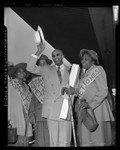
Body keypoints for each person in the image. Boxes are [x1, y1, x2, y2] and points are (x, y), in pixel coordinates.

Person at [64, 49, 115, 146]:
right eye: (82, 59)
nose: (83, 61)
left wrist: (90, 104)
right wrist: (74, 91)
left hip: (97, 109)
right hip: (85, 110)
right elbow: (82, 92)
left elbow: (103, 90)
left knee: (98, 140)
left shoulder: (98, 69)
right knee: (87, 140)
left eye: (86, 59)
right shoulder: (84, 74)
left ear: (93, 61)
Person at [26, 43, 72, 147]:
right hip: (51, 108)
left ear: (63, 56)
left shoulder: (71, 70)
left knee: (65, 140)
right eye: (53, 56)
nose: (56, 57)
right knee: (53, 140)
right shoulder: (46, 69)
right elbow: (29, 67)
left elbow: (76, 88)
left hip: (66, 108)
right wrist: (38, 51)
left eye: (58, 54)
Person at [28, 55, 52, 147]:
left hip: (51, 114)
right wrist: (31, 114)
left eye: (44, 63)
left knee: (51, 140)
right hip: (39, 115)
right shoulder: (34, 82)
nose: (42, 66)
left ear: (48, 65)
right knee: (40, 141)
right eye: (40, 64)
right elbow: (32, 100)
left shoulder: (53, 78)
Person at [8, 62, 33, 146]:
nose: (21, 73)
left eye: (23, 72)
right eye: (19, 71)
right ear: (15, 74)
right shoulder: (11, 84)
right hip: (14, 114)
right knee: (15, 136)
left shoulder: (26, 86)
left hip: (26, 115)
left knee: (25, 136)